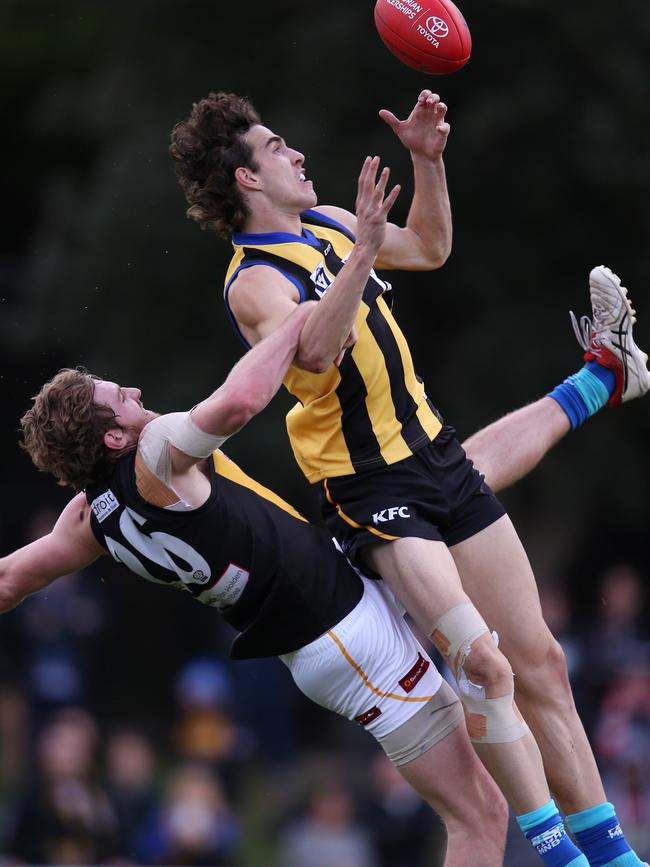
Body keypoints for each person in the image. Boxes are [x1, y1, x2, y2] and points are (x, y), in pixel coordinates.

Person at [169, 88, 650, 867]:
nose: (295, 153)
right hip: (371, 493)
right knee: (484, 665)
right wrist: (359, 252)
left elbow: (429, 246)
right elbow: (317, 354)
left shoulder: (327, 220)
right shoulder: (253, 280)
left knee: (543, 664)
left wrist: (428, 160)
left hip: (431, 458)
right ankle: (563, 857)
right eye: (276, 147)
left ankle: (616, 858)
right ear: (249, 181)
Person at [8, 305, 508, 866]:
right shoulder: (154, 453)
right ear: (117, 437)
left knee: (454, 476)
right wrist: (299, 320)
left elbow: (8, 580)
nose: (134, 389)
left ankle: (586, 389)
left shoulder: (88, 520)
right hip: (346, 633)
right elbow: (241, 401)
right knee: (480, 816)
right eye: (119, 397)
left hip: (330, 621)